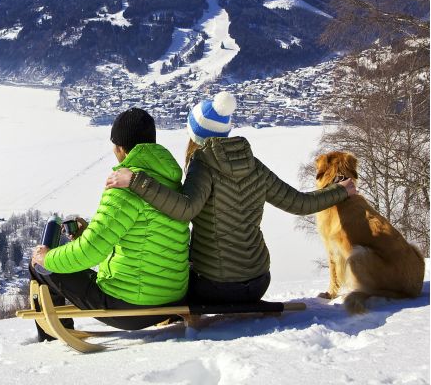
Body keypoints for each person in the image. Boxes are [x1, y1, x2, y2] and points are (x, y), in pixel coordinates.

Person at [105, 92, 356, 305]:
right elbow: (299, 203)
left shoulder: (202, 166)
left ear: (195, 135)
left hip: (215, 287)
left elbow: (185, 209)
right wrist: (341, 190)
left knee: (171, 279)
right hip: (258, 282)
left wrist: (136, 181)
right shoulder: (253, 165)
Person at [30, 108, 190, 340]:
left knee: (38, 266)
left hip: (131, 308)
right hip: (174, 298)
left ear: (121, 148)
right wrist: (87, 233)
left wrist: (47, 258)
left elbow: (89, 253)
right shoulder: (170, 183)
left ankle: (54, 337)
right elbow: (144, 241)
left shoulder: (124, 187)